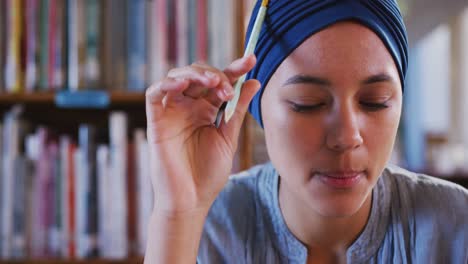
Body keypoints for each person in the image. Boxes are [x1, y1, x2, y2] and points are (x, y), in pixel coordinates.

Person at [144, 0, 468, 263]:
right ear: (252, 103)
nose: (346, 137)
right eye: (308, 103)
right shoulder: (207, 228)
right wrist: (178, 212)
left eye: (375, 102)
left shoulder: (455, 227)